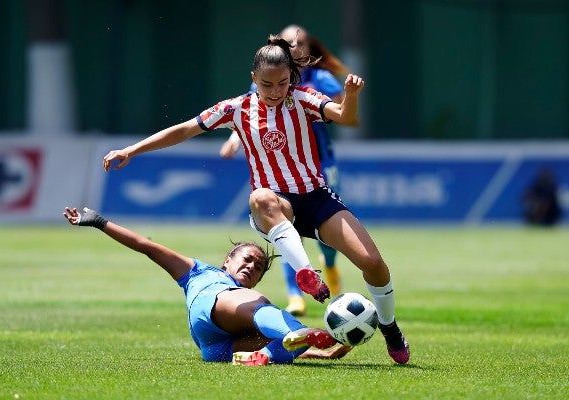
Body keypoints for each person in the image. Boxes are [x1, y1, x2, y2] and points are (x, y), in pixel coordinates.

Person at [102, 34, 411, 364]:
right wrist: (132, 150)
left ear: (291, 78)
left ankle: (390, 328)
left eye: (282, 83)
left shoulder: (304, 99)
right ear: (254, 79)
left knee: (374, 264)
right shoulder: (236, 109)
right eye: (267, 84)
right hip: (275, 208)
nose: (276, 91)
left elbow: (345, 117)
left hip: (316, 199)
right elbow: (185, 129)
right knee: (261, 195)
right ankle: (306, 273)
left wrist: (351, 96)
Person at [62, 206, 352, 366]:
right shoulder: (196, 270)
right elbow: (145, 246)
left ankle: (264, 357)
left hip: (215, 348)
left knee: (283, 343)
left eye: (259, 268)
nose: (252, 267)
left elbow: (293, 344)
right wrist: (100, 222)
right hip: (212, 304)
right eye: (248, 259)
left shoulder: (243, 296)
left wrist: (322, 353)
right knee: (263, 308)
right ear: (228, 260)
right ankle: (297, 332)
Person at [220, 25, 347, 317]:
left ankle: (329, 263)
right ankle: (296, 293)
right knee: (287, 231)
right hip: (281, 166)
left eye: (301, 42)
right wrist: (233, 140)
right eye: (290, 42)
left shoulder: (320, 80)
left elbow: (341, 110)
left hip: (320, 162)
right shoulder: (269, 81)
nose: (296, 47)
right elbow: (251, 118)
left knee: (329, 227)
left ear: (309, 47)